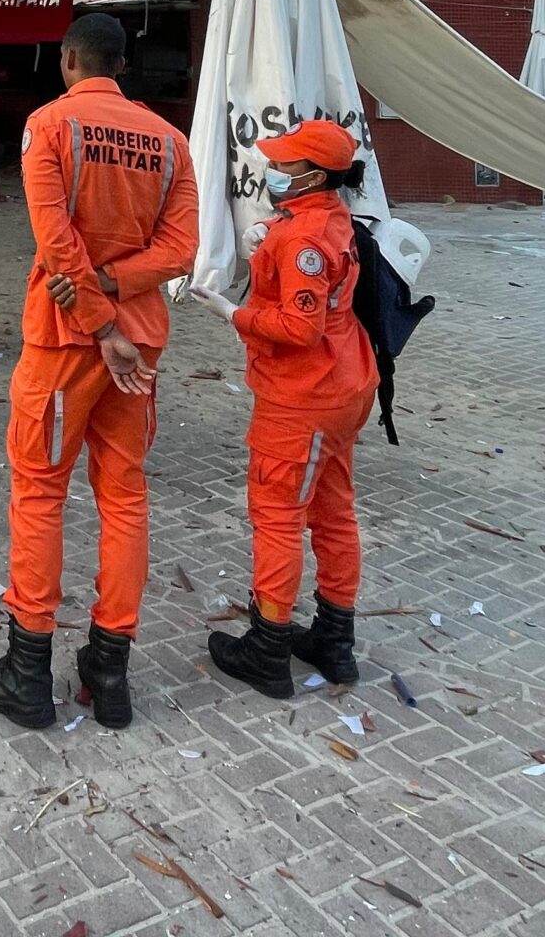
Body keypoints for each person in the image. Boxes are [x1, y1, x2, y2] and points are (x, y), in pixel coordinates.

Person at [0, 12, 198, 732]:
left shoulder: (50, 126)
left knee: (39, 492)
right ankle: (109, 670)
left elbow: (55, 239)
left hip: (68, 341)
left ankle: (27, 672)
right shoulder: (170, 141)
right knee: (125, 497)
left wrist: (97, 313)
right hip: (140, 344)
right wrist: (120, 297)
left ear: (68, 59)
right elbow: (181, 250)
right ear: (121, 65)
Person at [201, 119, 379, 696]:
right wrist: (269, 235)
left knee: (277, 515)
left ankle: (268, 648)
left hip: (303, 395)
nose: (272, 170)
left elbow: (300, 328)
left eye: (284, 164)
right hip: (344, 385)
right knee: (333, 511)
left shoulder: (304, 237)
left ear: (314, 175)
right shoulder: (328, 216)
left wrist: (233, 313)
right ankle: (334, 641)